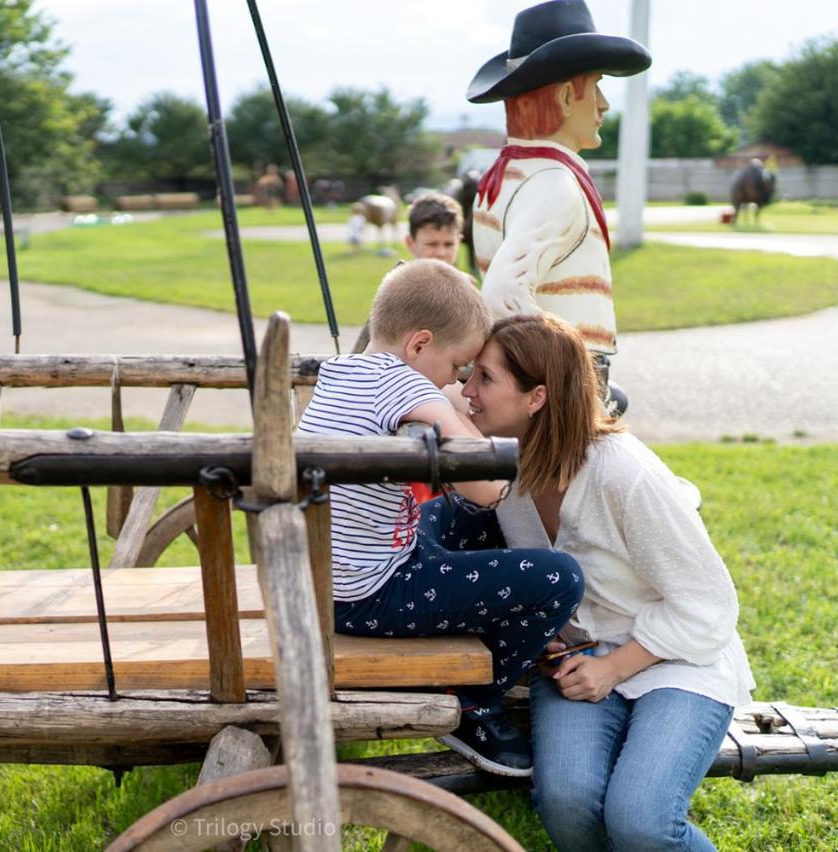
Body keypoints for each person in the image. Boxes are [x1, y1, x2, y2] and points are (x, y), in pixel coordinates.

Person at [460, 313, 754, 850]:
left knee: (640, 821)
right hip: (577, 664)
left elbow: (709, 603)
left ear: (536, 397)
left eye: (484, 377)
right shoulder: (508, 469)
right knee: (568, 805)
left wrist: (614, 667)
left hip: (679, 659)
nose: (466, 390)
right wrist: (539, 630)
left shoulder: (625, 472)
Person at [297, 259, 584, 777]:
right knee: (561, 578)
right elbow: (489, 486)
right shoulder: (407, 387)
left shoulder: (344, 368)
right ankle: (472, 704)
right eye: (459, 367)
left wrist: (446, 401)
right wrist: (455, 411)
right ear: (420, 345)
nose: (462, 381)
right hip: (368, 597)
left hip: (330, 575)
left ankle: (469, 631)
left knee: (457, 515)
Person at [467, 0, 651, 408]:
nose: (603, 103)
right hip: (560, 386)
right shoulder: (553, 184)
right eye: (596, 85)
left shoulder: (505, 176)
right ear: (568, 97)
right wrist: (569, 378)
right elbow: (502, 294)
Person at [404, 192, 464, 265]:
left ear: (458, 242)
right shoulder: (399, 276)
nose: (441, 253)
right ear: (410, 243)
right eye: (431, 244)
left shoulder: (463, 277)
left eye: (449, 244)